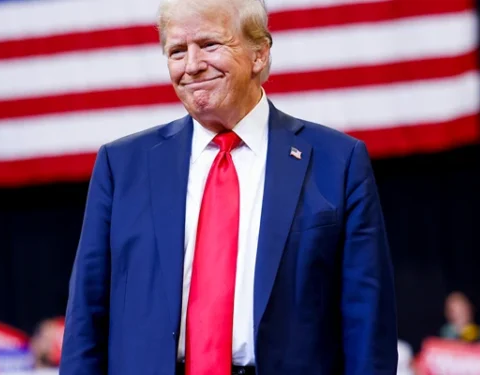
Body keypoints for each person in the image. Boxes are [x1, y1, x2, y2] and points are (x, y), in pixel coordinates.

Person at [59, 0, 398, 374]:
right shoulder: (121, 166)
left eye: (209, 44)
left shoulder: (339, 162)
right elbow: (86, 317)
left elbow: (368, 325)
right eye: (176, 51)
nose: (191, 65)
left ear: (259, 54)